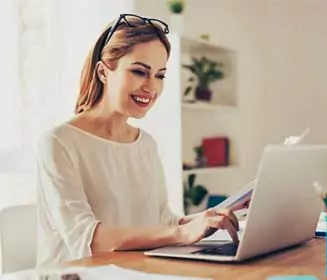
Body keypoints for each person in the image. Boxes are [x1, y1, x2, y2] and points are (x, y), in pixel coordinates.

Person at [36, 14, 244, 266]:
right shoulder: (59, 143)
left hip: (133, 272)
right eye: (139, 72)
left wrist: (212, 220)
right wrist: (181, 233)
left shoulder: (145, 144)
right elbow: (87, 238)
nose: (151, 87)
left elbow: (162, 222)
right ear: (103, 72)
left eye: (160, 75)